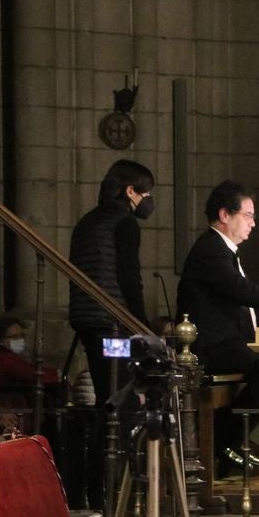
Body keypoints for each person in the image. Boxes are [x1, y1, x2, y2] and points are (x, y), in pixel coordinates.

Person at [177, 180, 259, 470]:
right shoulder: (210, 249)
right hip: (213, 347)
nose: (253, 223)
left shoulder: (226, 251)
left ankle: (240, 442)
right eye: (247, 215)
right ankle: (227, 440)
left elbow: (243, 307)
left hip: (233, 342)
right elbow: (243, 292)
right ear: (225, 215)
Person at [68, 159, 156, 405]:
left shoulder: (87, 222)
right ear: (130, 191)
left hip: (86, 321)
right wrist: (142, 325)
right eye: (146, 192)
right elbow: (129, 277)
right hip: (113, 326)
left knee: (105, 389)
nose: (148, 198)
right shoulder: (124, 222)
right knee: (122, 396)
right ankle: (117, 443)